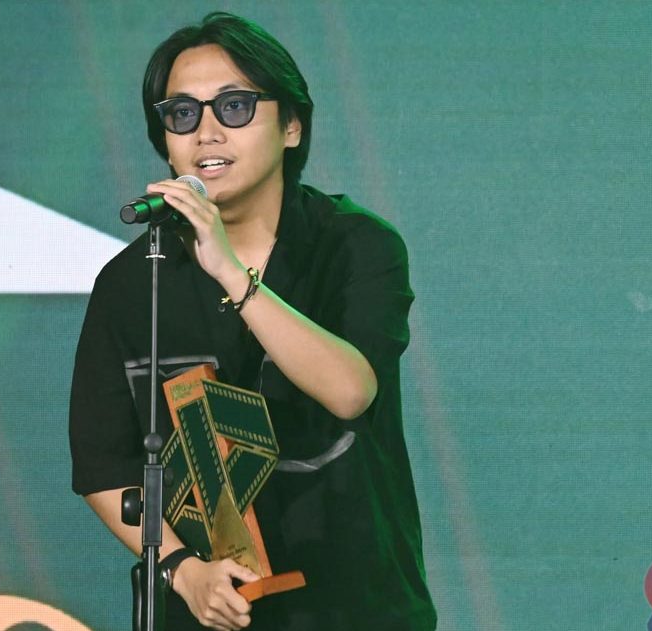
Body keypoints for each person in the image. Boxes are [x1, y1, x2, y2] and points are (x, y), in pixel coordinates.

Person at [69, 12, 436, 631]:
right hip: (210, 612)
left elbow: (350, 391)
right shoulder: (133, 281)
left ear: (292, 125)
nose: (206, 132)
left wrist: (230, 271)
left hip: (355, 606)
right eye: (182, 114)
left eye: (234, 107)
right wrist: (184, 572)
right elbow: (104, 467)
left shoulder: (356, 246)